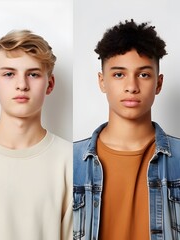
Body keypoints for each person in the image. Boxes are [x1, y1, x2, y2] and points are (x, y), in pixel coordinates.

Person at [73, 19, 180, 240]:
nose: (131, 86)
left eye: (143, 74)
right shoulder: (70, 162)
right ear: (102, 81)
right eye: (119, 74)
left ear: (158, 83)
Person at [0, 30, 73, 240]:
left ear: (49, 84)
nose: (22, 85)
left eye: (33, 74)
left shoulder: (71, 160)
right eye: (9, 74)